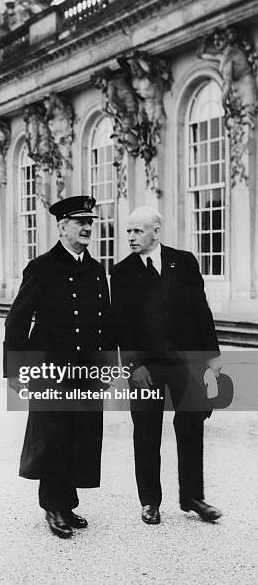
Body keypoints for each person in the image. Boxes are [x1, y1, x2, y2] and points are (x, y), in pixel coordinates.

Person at [4, 195, 114, 538]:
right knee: (54, 436)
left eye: (90, 222)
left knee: (80, 434)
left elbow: (106, 323)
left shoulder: (96, 269)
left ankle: (67, 502)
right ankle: (52, 506)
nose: (86, 228)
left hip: (86, 369)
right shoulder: (42, 267)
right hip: (52, 367)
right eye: (79, 222)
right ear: (61, 226)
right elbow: (17, 321)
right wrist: (16, 370)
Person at [111, 206, 222, 525]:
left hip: (184, 362)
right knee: (146, 431)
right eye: (128, 231)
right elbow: (121, 326)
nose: (130, 236)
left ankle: (193, 497)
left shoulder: (184, 262)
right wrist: (133, 367)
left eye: (137, 231)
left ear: (155, 232)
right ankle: (150, 502)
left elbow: (201, 310)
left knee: (191, 425)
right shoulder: (121, 272)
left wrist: (212, 355)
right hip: (145, 367)